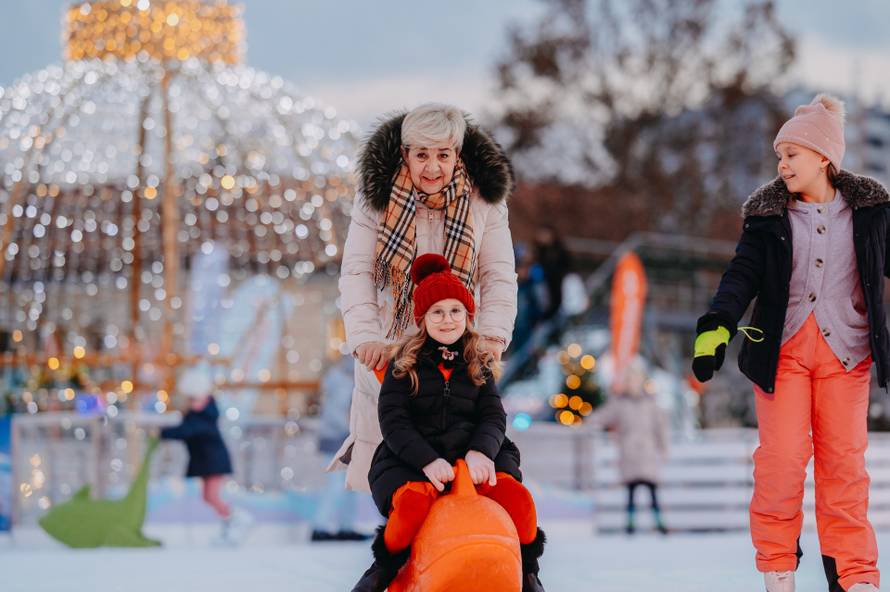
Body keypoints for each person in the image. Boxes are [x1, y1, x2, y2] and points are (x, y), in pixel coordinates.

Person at [693, 94, 889, 592]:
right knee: (780, 463)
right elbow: (741, 276)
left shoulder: (871, 213)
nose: (782, 165)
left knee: (844, 467)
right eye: (779, 156)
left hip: (848, 357)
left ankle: (855, 576)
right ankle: (778, 569)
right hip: (781, 357)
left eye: (792, 154)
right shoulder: (767, 217)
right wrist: (716, 325)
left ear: (824, 156)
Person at [329, 103, 518, 494]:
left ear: (457, 154)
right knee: (401, 472)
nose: (433, 167)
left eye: (443, 155)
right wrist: (366, 338)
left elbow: (498, 275)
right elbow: (358, 272)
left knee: (466, 464)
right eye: (422, 155)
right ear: (405, 154)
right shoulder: (376, 200)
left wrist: (494, 336)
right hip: (394, 349)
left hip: (460, 344)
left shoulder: (484, 202)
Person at [351, 254, 545, 592]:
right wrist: (427, 460)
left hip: (474, 452)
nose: (447, 320)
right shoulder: (403, 364)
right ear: (423, 318)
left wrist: (482, 452)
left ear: (467, 316)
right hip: (411, 457)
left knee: (517, 499)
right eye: (437, 312)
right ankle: (382, 570)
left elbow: (493, 415)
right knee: (412, 503)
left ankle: (528, 572)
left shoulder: (477, 362)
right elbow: (394, 421)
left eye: (455, 311)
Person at [160, 366, 251, 545]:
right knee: (208, 496)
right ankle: (230, 521)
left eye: (195, 398)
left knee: (211, 496)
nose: (192, 402)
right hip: (207, 462)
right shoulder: (197, 415)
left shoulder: (205, 417)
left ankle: (237, 518)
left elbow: (187, 430)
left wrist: (163, 433)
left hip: (214, 462)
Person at [589, 357, 668, 535]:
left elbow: (660, 427)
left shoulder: (650, 403)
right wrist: (589, 420)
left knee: (652, 489)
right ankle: (630, 523)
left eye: (636, 378)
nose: (633, 382)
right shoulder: (620, 403)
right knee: (631, 490)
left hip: (647, 453)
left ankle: (659, 522)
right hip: (629, 453)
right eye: (630, 379)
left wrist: (663, 447)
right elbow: (604, 415)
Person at [311, 353, 372, 542]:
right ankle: (320, 526)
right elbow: (337, 414)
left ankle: (346, 526)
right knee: (336, 485)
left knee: (349, 484)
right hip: (338, 438)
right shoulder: (342, 380)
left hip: (345, 438)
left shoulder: (344, 378)